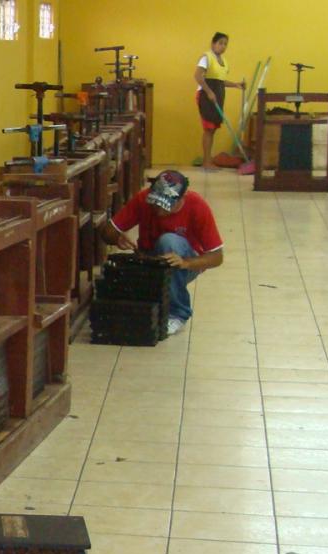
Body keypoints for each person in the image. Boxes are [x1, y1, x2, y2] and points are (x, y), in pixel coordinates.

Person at [102, 170, 225, 336]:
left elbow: (217, 257)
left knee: (169, 242)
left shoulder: (197, 206)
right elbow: (108, 230)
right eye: (156, 204)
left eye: (166, 206)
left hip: (185, 260)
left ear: (182, 198)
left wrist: (186, 262)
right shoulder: (143, 199)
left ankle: (177, 314)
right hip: (150, 258)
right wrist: (116, 238)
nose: (159, 211)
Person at [196, 32, 246, 169]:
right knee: (208, 128)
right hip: (206, 96)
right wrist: (208, 91)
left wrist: (236, 85)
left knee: (213, 130)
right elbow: (198, 76)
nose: (223, 46)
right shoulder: (206, 57)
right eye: (220, 43)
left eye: (225, 44)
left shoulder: (223, 62)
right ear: (213, 43)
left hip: (217, 94)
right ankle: (206, 162)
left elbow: (220, 81)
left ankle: (208, 160)